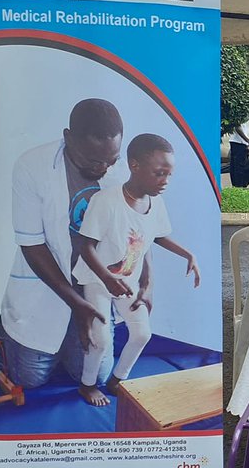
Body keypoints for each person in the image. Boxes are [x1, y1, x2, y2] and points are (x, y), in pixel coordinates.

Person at [0, 99, 124, 389]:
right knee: (30, 380)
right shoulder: (32, 166)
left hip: (92, 289)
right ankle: (7, 334)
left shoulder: (119, 171)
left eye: (110, 160)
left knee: (97, 376)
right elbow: (32, 244)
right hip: (44, 290)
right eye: (93, 160)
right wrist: (75, 303)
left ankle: (70, 340)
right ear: (68, 138)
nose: (103, 168)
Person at [72, 134, 200, 406]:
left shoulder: (156, 203)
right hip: (98, 279)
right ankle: (88, 385)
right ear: (134, 166)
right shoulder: (106, 201)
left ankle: (118, 380)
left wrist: (186, 253)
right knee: (102, 340)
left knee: (143, 333)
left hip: (127, 280)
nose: (165, 180)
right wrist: (107, 279)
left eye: (169, 174)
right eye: (159, 173)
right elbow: (85, 245)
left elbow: (157, 236)